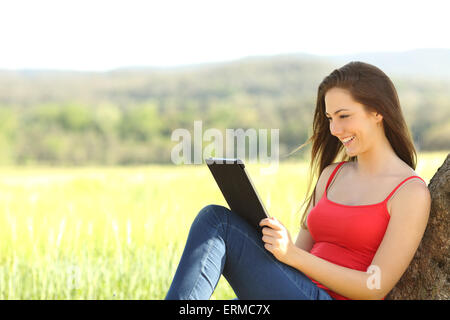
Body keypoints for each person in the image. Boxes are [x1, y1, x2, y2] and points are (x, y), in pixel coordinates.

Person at [165, 61, 431, 300]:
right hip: (298, 288)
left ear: (377, 112)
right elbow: (297, 256)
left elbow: (374, 287)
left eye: (344, 116)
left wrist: (293, 255)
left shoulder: (410, 193)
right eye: (329, 118)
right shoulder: (331, 176)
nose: (335, 130)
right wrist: (277, 243)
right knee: (216, 219)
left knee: (217, 221)